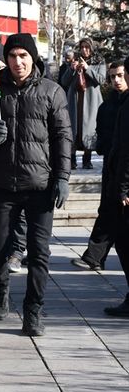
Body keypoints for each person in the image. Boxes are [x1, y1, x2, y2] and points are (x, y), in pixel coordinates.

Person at [0, 33, 72, 336]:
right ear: (5, 59)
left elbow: (62, 137)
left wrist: (62, 178)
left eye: (23, 56)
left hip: (40, 185)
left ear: (33, 57)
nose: (17, 62)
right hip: (3, 183)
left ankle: (34, 310)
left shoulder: (51, 91)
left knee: (39, 251)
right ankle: (0, 286)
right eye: (12, 56)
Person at [72, 61, 127, 271]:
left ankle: (94, 256)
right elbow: (102, 133)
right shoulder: (107, 105)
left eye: (120, 75)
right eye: (113, 76)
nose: (116, 80)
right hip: (112, 165)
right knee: (107, 209)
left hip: (125, 166)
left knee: (113, 213)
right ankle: (94, 256)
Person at [102, 55, 129, 317]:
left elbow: (126, 151)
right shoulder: (118, 103)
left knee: (123, 240)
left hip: (125, 188)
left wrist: (122, 188)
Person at [61, 38, 105, 170]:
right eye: (82, 47)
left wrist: (88, 68)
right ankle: (72, 160)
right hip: (75, 100)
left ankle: (87, 160)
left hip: (91, 101)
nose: (84, 50)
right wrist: (72, 69)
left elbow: (101, 80)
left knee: (89, 128)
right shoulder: (74, 60)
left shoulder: (99, 61)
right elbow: (64, 81)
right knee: (73, 128)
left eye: (87, 47)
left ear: (92, 48)